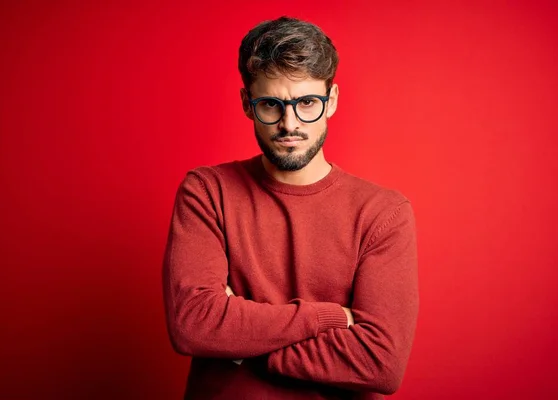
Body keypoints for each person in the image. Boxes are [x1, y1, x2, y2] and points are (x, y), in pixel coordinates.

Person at [162, 16, 419, 400]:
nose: (289, 123)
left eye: (307, 103)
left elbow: (380, 364)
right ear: (247, 104)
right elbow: (193, 325)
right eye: (270, 104)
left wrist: (239, 344)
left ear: (331, 102)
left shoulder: (383, 213)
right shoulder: (207, 191)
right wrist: (327, 318)